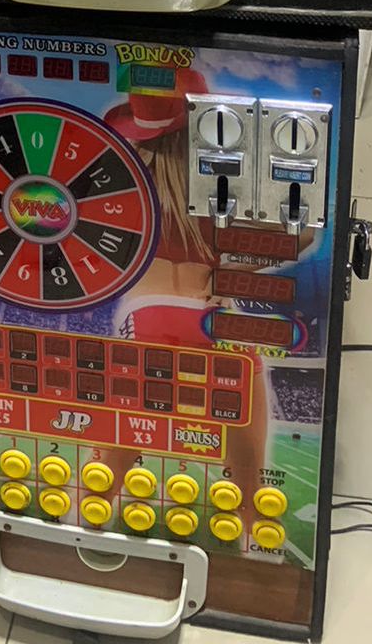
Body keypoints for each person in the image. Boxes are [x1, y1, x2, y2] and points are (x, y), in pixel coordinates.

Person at [106, 76, 268, 509]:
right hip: (216, 319)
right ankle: (252, 542)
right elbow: (300, 235)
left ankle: (76, 527)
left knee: (106, 474)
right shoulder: (218, 188)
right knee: (248, 484)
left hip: (146, 312)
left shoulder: (128, 185)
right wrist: (227, 273)